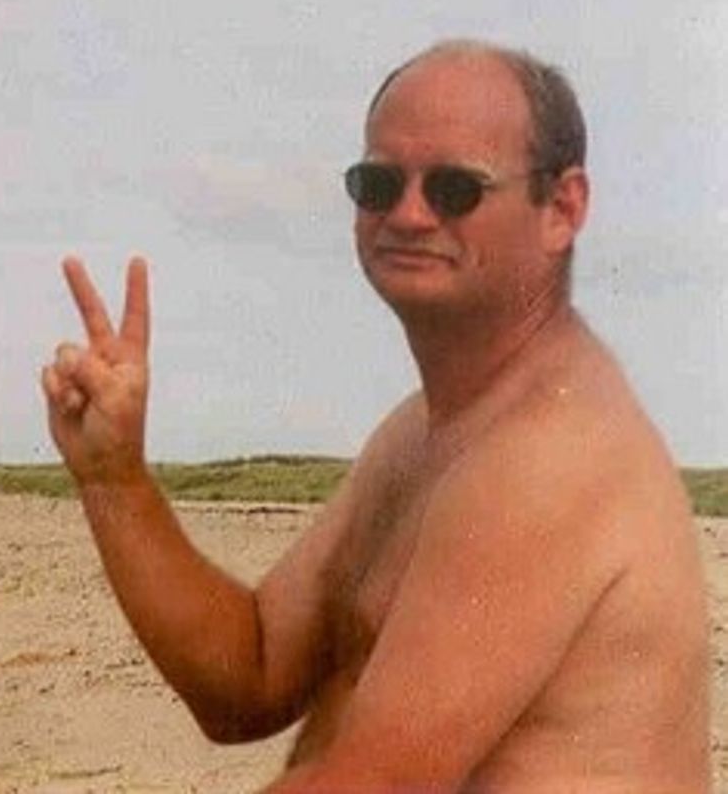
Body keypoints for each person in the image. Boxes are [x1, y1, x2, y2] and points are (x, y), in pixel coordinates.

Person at [41, 39, 711, 793]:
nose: (409, 214)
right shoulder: (423, 432)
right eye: (378, 184)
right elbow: (250, 675)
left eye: (455, 188)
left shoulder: (552, 454)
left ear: (561, 208)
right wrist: (114, 478)